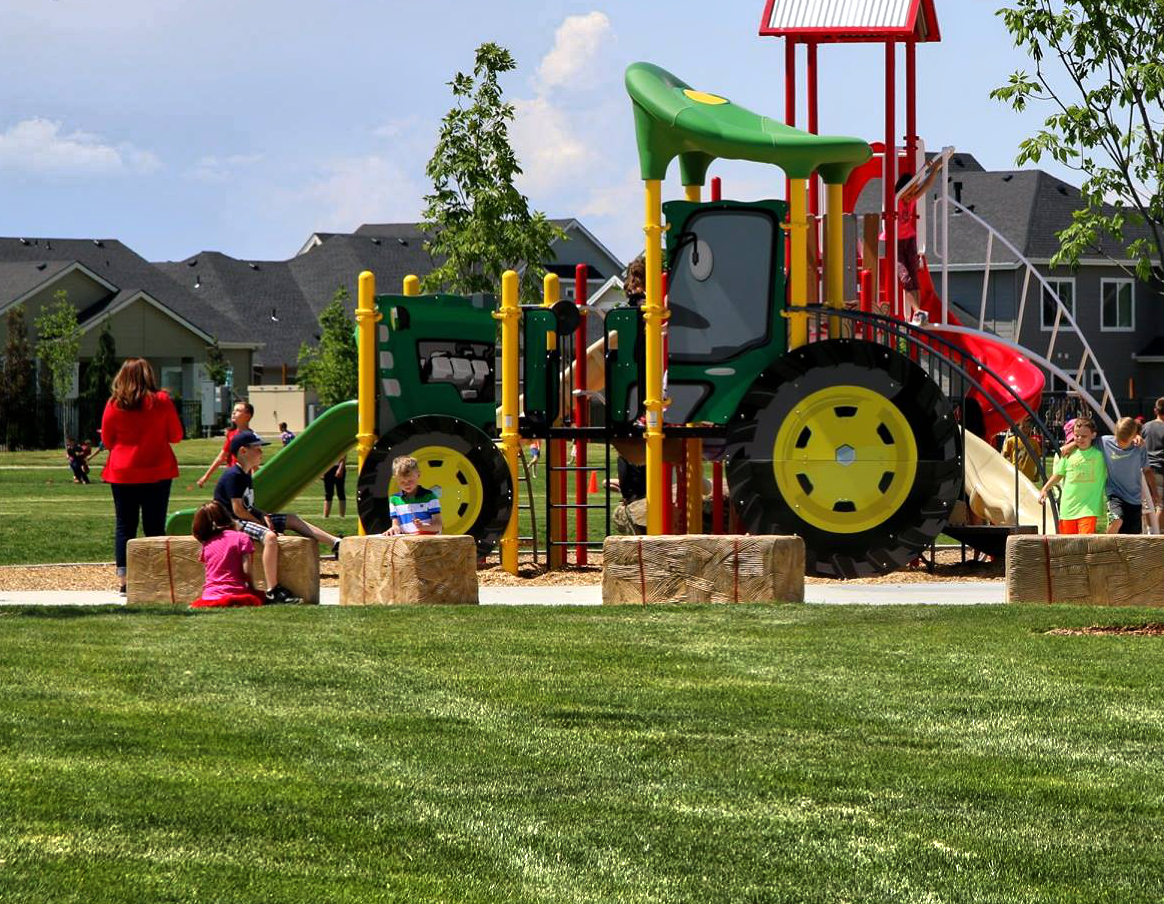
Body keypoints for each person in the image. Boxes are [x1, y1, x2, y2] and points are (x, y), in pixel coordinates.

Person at [213, 429, 341, 604]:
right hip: (232, 522)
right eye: (257, 448)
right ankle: (273, 590)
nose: (261, 452)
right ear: (243, 451)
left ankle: (335, 543)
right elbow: (238, 510)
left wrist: (262, 514)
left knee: (292, 519)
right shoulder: (233, 475)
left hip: (243, 517)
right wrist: (263, 525)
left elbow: (247, 506)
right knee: (271, 538)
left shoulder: (246, 474)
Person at [101, 358, 184, 594]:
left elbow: (107, 439)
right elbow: (176, 435)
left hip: (122, 470)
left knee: (125, 526)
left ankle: (124, 580)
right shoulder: (161, 401)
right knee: (154, 525)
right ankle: (155, 577)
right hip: (157, 469)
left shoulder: (114, 403)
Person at [1059, 417, 1158, 535]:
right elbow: (1086, 439)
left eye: (1125, 442)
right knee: (1116, 520)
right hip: (1115, 495)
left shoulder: (1139, 447)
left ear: (1133, 437)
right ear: (1115, 433)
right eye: (1119, 439)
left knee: (1131, 537)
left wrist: (1155, 492)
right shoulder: (1105, 442)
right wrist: (1073, 445)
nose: (1121, 444)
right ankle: (1105, 547)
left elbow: (1147, 471)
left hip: (1134, 499)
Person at [885, 162, 943, 322]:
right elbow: (904, 190)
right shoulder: (895, 201)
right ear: (903, 189)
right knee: (906, 278)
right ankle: (917, 310)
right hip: (895, 243)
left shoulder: (909, 201)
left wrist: (934, 168)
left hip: (909, 239)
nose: (913, 194)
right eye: (910, 190)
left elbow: (925, 185)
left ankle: (918, 312)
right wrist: (923, 168)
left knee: (914, 276)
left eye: (913, 191)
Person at [190, 501, 270, 608]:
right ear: (225, 515)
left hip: (209, 596)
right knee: (260, 596)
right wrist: (252, 587)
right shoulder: (241, 537)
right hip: (235, 593)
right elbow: (246, 571)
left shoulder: (207, 543)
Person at [1038, 416, 1107, 534]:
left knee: (1084, 545)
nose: (1079, 439)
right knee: (1067, 547)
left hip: (1089, 509)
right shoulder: (1068, 454)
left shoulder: (1101, 455)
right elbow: (1058, 474)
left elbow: (1118, 439)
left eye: (1084, 436)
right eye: (1076, 435)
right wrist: (1045, 489)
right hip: (1067, 509)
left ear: (1093, 435)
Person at [196, 400, 254, 487]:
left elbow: (253, 462)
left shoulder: (250, 436)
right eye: (233, 410)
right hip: (231, 475)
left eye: (238, 410)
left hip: (244, 479)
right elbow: (221, 457)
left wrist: (253, 480)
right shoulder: (231, 435)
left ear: (247, 416)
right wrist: (206, 476)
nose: (234, 412)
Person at [383, 456, 442, 535]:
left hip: (430, 542)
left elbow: (438, 526)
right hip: (408, 543)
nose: (407, 484)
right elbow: (396, 525)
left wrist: (423, 526)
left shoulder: (430, 497)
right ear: (396, 479)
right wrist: (393, 529)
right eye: (402, 482)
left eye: (410, 480)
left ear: (418, 475)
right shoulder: (394, 500)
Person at [1141, 397, 1164, 517]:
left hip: (1145, 469)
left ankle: (1150, 531)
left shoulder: (1146, 426)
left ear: (1156, 410)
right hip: (1160, 470)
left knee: (1148, 504)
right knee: (1160, 504)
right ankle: (1157, 532)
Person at [1001, 417, 1043, 483]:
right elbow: (1003, 457)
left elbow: (1038, 459)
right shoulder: (1011, 441)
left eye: (1028, 427)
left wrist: (1037, 474)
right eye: (1023, 427)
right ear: (1018, 427)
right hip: (1014, 474)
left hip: (1029, 476)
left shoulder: (1034, 443)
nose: (1026, 429)